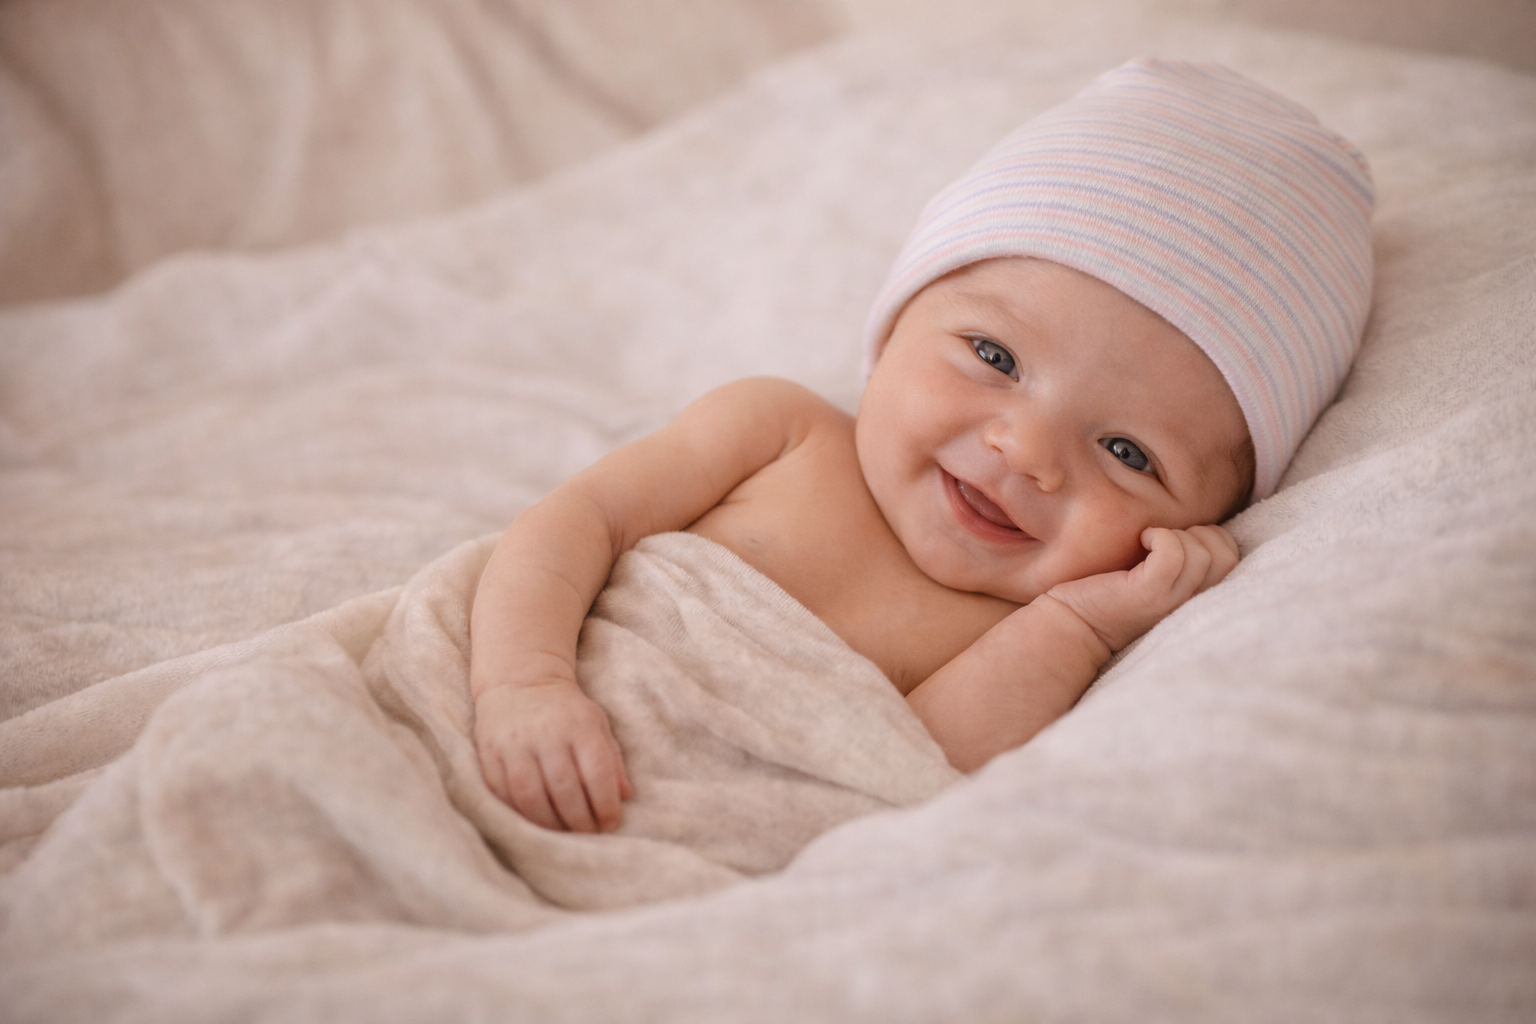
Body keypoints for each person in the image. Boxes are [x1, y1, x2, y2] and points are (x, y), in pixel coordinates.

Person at [469, 57, 1376, 834]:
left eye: (1129, 453)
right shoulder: (778, 430)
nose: (1024, 450)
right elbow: (573, 523)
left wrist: (1081, 627)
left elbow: (910, 774)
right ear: (899, 318)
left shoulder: (1026, 626)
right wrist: (525, 684)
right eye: (995, 356)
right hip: (497, 710)